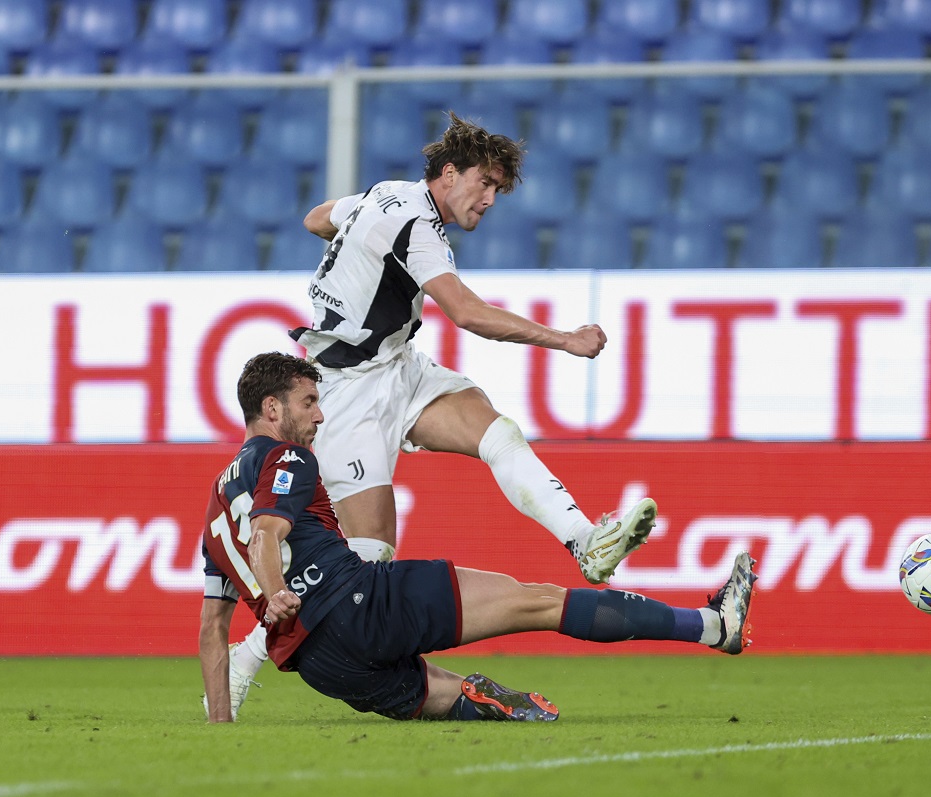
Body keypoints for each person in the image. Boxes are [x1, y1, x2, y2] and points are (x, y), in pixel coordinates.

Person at [207, 112, 661, 716]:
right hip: (346, 390)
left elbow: (317, 217)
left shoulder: (383, 197)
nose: (490, 200)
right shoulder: (416, 224)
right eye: (485, 184)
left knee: (495, 430)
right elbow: (468, 314)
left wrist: (354, 261)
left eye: (499, 190)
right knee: (368, 559)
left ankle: (585, 541)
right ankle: (250, 652)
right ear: (449, 174)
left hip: (398, 363)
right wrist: (565, 339)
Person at [200, 352, 757, 723]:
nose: (321, 416)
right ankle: (714, 626)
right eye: (308, 403)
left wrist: (222, 726)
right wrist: (275, 591)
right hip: (360, 603)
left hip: (321, 667)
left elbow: (212, 629)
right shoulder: (287, 455)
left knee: (443, 697)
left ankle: (480, 699)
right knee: (539, 602)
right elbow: (267, 536)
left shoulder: (212, 513)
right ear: (271, 409)